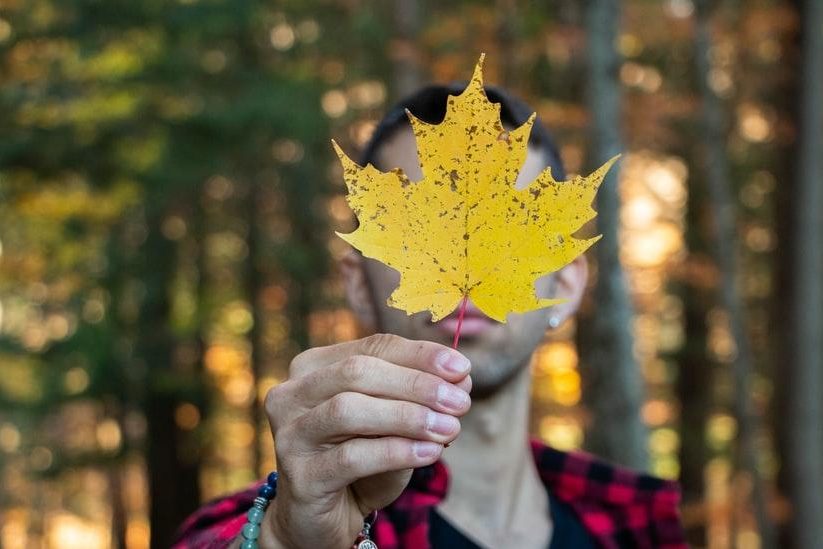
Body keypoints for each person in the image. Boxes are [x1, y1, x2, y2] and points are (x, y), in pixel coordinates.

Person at [172, 84, 686, 549]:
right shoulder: (301, 513)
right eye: (419, 230)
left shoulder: (637, 525)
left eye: (508, 231)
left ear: (568, 285)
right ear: (357, 283)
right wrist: (285, 541)